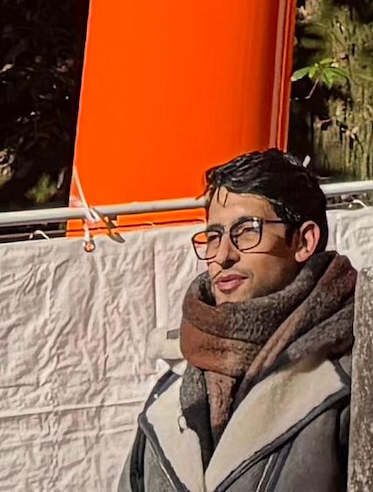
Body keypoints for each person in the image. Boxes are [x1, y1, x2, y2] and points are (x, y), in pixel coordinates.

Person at [125, 150, 356, 492]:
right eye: (213, 237)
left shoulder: (352, 378)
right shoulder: (168, 393)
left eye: (247, 231)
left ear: (304, 241)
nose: (223, 255)